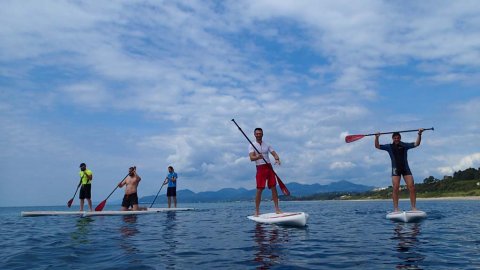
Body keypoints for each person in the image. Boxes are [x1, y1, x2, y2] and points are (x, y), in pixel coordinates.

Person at [375, 128, 424, 212]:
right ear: (393, 138)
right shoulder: (389, 146)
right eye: (395, 138)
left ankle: (413, 208)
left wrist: (419, 134)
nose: (396, 139)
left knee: (412, 187)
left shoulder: (404, 145)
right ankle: (396, 209)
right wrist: (376, 137)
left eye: (398, 138)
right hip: (395, 169)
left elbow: (417, 144)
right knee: (395, 188)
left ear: (400, 138)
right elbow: (377, 146)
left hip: (405, 169)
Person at [249, 127, 282, 217]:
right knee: (259, 189)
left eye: (260, 133)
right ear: (254, 134)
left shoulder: (267, 144)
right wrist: (257, 157)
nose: (258, 135)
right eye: (257, 133)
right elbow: (251, 158)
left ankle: (277, 209)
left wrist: (277, 158)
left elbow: (274, 153)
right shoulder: (252, 145)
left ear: (262, 134)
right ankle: (257, 211)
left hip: (269, 167)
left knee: (273, 187)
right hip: (260, 168)